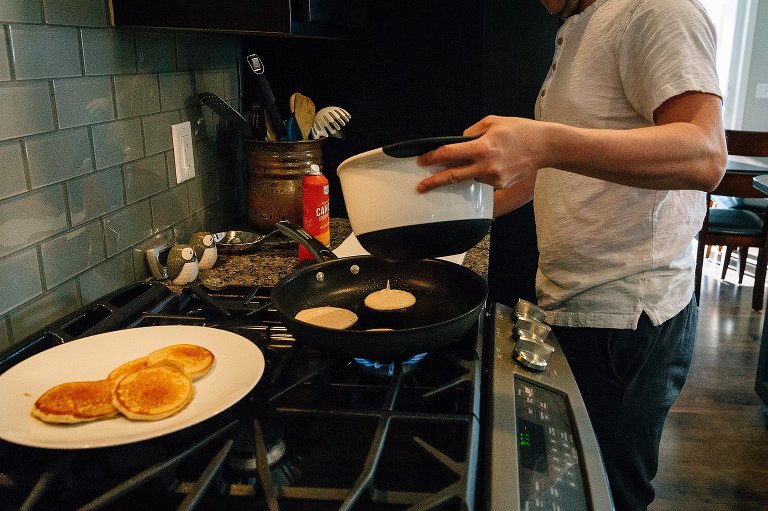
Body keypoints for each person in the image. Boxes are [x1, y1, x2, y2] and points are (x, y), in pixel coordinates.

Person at [415, 0, 727, 509]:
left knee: (612, 494)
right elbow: (550, 171)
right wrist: (447, 228)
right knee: (576, 489)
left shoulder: (656, 9)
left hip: (625, 322)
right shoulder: (579, 25)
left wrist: (545, 142)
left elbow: (706, 154)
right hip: (573, 302)